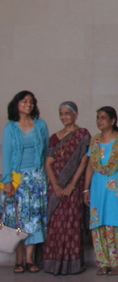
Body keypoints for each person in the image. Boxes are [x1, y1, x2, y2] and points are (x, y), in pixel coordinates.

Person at [82, 107, 118, 276]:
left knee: (113, 223)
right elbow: (90, 166)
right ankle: (104, 262)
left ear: (113, 120)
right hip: (98, 187)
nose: (100, 121)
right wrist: (86, 189)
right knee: (98, 224)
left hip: (117, 187)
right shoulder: (95, 141)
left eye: (103, 118)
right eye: (98, 118)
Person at [2, 90, 49, 274]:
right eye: (24, 101)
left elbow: (46, 152)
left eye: (31, 101)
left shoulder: (41, 125)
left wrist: (45, 175)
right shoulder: (10, 128)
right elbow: (5, 155)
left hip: (37, 178)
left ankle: (30, 259)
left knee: (34, 219)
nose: (28, 104)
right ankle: (19, 258)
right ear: (17, 104)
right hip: (17, 179)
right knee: (18, 218)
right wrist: (7, 181)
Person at [42, 101, 91, 275]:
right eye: (61, 114)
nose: (64, 117)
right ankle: (52, 264)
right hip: (55, 187)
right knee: (55, 223)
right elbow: (48, 163)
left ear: (76, 115)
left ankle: (72, 264)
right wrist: (56, 186)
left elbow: (84, 161)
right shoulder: (55, 137)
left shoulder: (83, 135)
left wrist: (70, 185)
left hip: (74, 186)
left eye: (67, 114)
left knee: (72, 222)